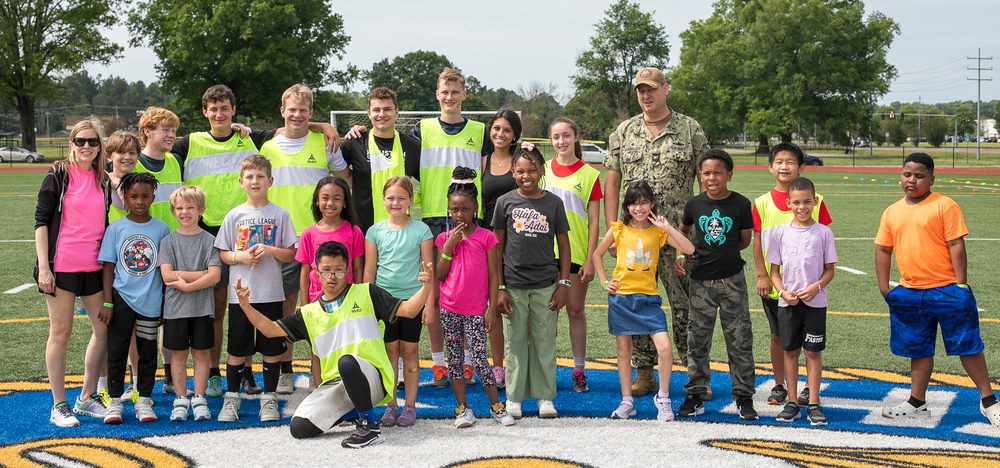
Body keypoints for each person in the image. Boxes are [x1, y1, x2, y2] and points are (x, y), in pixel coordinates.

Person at [175, 84, 339, 397]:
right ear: (204, 112)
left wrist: (324, 125)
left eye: (225, 108)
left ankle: (264, 372)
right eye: (214, 109)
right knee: (219, 309)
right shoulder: (191, 142)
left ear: (234, 111)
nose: (220, 114)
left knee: (271, 304)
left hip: (259, 229)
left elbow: (293, 124)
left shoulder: (253, 138)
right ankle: (213, 372)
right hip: (209, 232)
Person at [233, 241, 435, 447]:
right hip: (336, 385)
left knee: (347, 362)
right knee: (300, 428)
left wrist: (426, 288)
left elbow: (409, 310)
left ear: (347, 270)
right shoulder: (309, 313)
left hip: (372, 377)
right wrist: (246, 306)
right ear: (316, 271)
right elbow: (270, 330)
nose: (332, 277)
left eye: (338, 271)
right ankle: (354, 412)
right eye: (326, 270)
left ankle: (369, 427)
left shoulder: (367, 293)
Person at [604, 66, 709, 397]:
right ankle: (644, 371)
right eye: (640, 90)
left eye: (651, 88)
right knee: (636, 302)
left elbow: (705, 179)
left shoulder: (689, 129)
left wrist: (699, 230)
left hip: (677, 235)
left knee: (686, 308)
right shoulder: (624, 131)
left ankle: (695, 377)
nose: (645, 95)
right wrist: (613, 230)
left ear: (666, 89)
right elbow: (612, 181)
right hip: (634, 237)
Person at [875, 153, 1000, 426]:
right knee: (918, 348)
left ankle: (989, 400)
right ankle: (917, 402)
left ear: (932, 178)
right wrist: (885, 287)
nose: (912, 180)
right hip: (909, 292)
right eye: (908, 174)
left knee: (967, 346)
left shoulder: (944, 205)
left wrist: (962, 284)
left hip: (947, 290)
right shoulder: (892, 211)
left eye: (920, 176)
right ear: (901, 176)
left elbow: (956, 245)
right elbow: (883, 249)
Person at [259, 84, 349, 393]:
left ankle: (328, 368)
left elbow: (343, 178)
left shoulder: (324, 143)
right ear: (282, 112)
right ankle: (285, 369)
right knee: (284, 309)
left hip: (317, 238)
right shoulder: (268, 147)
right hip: (281, 239)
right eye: (291, 110)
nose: (297, 115)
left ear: (310, 113)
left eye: (303, 111)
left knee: (321, 307)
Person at [593, 181, 694, 421]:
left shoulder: (658, 231)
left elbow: (689, 249)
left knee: (665, 348)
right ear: (627, 207)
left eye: (643, 203)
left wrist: (668, 228)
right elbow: (597, 255)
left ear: (652, 204)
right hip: (622, 299)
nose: (639, 208)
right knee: (624, 351)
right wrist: (604, 281)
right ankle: (627, 401)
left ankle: (664, 398)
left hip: (648, 299)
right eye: (634, 204)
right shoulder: (617, 229)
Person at [34, 118, 112, 427]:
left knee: (104, 330)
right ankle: (58, 405)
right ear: (71, 144)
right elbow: (41, 221)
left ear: (99, 146)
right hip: (61, 267)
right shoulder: (58, 175)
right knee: (61, 332)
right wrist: (44, 266)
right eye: (80, 141)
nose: (86, 147)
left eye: (92, 142)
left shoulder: (104, 179)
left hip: (93, 268)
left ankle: (86, 397)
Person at [214, 154, 298, 423]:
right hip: (241, 295)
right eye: (249, 177)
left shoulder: (280, 214)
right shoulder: (234, 215)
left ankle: (269, 399)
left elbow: (290, 253)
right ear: (241, 181)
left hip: (271, 292)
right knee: (237, 349)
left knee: (272, 350)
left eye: (260, 176)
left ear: (270, 180)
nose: (255, 181)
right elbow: (224, 254)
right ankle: (231, 399)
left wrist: (271, 249)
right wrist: (241, 257)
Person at [675, 149, 757, 421]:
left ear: (729, 175)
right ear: (700, 174)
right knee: (697, 340)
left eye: (717, 172)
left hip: (732, 279)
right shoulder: (695, 204)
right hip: (700, 282)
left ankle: (743, 396)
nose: (712, 177)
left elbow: (743, 241)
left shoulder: (741, 204)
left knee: (740, 339)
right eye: (706, 172)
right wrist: (681, 254)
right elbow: (682, 232)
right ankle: (696, 394)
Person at [751, 142, 832, 407]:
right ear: (770, 167)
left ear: (801, 167)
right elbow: (757, 241)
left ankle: (809, 388)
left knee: (809, 345)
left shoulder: (816, 201)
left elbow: (821, 241)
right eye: (779, 161)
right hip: (777, 285)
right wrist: (762, 275)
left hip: (809, 287)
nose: (785, 166)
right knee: (780, 337)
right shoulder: (762, 202)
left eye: (791, 162)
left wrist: (818, 283)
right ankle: (779, 384)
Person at [493, 143, 570, 419]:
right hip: (512, 284)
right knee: (515, 340)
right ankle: (514, 397)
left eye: (532, 170)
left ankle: (544, 397)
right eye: (520, 171)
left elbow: (564, 245)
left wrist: (563, 284)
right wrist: (500, 287)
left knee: (544, 339)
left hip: (546, 284)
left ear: (541, 170)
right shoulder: (505, 202)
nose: (527, 175)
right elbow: (497, 249)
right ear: (513, 172)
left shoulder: (553, 203)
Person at [436, 167, 515, 428]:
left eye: (465, 209)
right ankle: (462, 409)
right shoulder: (444, 238)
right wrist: (448, 248)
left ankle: (496, 407)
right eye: (454, 209)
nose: (460, 215)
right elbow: (439, 274)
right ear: (449, 209)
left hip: (475, 310)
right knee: (455, 359)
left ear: (475, 207)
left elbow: (494, 276)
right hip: (449, 309)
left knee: (481, 359)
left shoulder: (486, 238)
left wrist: (492, 310)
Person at [98, 172, 171, 424]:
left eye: (145, 196)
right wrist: (108, 302)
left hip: (150, 303)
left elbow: (164, 269)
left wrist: (163, 302)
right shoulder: (116, 228)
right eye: (133, 196)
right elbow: (108, 267)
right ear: (124, 197)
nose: (139, 201)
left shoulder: (162, 228)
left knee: (148, 353)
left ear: (153, 197)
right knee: (117, 351)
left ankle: (143, 401)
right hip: (121, 300)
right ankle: (115, 402)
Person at [765, 177, 837, 426]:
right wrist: (783, 292)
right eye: (796, 202)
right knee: (791, 351)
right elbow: (774, 271)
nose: (802, 207)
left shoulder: (824, 233)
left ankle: (814, 402)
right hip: (788, 304)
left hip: (815, 304)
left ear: (815, 202)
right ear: (788, 203)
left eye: (807, 202)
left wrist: (817, 287)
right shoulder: (780, 233)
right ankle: (792, 402)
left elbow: (829, 270)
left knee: (813, 353)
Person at [364, 177, 434, 427]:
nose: (396, 202)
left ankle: (410, 407)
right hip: (384, 301)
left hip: (412, 300)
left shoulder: (422, 230)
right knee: (389, 351)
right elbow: (370, 271)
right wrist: (367, 301)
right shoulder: (374, 231)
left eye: (401, 198)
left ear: (410, 201)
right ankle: (391, 405)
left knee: (410, 351)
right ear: (383, 199)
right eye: (391, 198)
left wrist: (430, 303)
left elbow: (429, 271)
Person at [545, 117, 602, 392]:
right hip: (544, 253)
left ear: (576, 137)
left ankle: (579, 371)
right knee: (548, 313)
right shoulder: (542, 171)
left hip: (577, 253)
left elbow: (594, 222)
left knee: (575, 310)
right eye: (556, 137)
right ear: (551, 140)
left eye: (566, 135)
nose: (561, 141)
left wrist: (591, 258)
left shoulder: (590, 174)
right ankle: (545, 371)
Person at [159, 186, 223, 422]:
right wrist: (201, 274)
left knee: (201, 354)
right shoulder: (168, 242)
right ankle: (180, 399)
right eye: (180, 208)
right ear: (173, 212)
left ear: (201, 210)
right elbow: (167, 276)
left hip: (201, 309)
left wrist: (185, 282)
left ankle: (198, 398)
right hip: (175, 309)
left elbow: (215, 276)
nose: (185, 212)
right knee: (178, 354)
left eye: (190, 208)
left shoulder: (210, 241)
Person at [296, 175, 364, 389]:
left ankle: (345, 391)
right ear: (317, 200)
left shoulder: (353, 231)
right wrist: (305, 303)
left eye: (336, 198)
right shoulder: (308, 233)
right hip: (318, 302)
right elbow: (305, 271)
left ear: (344, 202)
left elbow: (358, 268)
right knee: (318, 349)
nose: (330, 203)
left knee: (346, 349)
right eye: (325, 198)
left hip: (346, 301)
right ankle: (318, 390)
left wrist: (359, 298)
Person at [340, 87, 421, 233]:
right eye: (376, 110)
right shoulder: (354, 143)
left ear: (396, 112)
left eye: (387, 109)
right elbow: (330, 163)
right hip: (361, 230)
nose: (382, 114)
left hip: (401, 232)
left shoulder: (413, 146)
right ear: (369, 113)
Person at [480, 109, 521, 389]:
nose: (500, 134)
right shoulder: (482, 159)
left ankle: (521, 365)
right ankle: (498, 367)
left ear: (515, 134)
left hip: (518, 238)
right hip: (486, 239)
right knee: (491, 303)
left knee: (517, 305)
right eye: (496, 128)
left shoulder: (520, 161)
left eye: (506, 130)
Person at [101, 130, 143, 403]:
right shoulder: (101, 182)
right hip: (108, 263)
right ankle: (105, 384)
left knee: (135, 330)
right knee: (106, 330)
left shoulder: (139, 184)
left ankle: (137, 384)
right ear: (109, 157)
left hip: (134, 265)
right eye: (121, 153)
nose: (127, 157)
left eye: (132, 153)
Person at [135, 107, 183, 232]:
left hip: (175, 241)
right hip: (146, 242)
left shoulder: (176, 161)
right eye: (165, 130)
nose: (171, 135)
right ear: (147, 132)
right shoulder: (133, 164)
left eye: (173, 131)